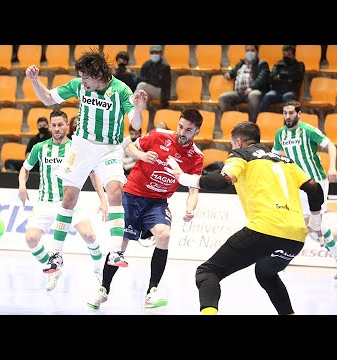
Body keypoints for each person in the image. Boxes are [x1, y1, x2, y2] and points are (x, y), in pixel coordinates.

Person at [167, 121, 325, 315]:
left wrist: (183, 178)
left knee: (208, 272)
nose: (233, 147)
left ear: (239, 142)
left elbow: (223, 181)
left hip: (265, 228)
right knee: (266, 274)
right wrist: (316, 223)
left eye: (233, 144)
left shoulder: (242, 155)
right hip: (296, 236)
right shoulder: (285, 161)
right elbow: (314, 189)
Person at [25, 49, 148, 274]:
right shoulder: (79, 86)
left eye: (85, 77)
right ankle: (56, 254)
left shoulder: (121, 90)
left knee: (115, 191)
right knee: (69, 197)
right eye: (80, 76)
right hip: (81, 145)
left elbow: (136, 125)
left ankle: (115, 251)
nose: (82, 81)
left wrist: (138, 109)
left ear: (99, 74)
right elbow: (47, 99)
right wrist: (34, 80)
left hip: (109, 148)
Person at [87, 107, 204, 310]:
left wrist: (190, 209)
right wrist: (141, 156)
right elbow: (130, 148)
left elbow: (194, 189)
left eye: (188, 130)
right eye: (180, 127)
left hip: (158, 201)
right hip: (133, 194)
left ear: (196, 132)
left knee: (164, 235)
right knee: (120, 245)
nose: (182, 133)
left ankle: (152, 291)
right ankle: (103, 289)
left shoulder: (196, 156)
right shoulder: (159, 136)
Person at [18, 110, 108, 290]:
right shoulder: (40, 147)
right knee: (30, 239)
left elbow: (93, 174)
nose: (57, 128)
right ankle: (53, 268)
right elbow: (24, 169)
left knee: (89, 235)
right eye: (54, 125)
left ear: (67, 126)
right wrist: (22, 186)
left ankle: (100, 269)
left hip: (71, 202)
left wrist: (103, 199)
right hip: (45, 202)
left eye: (60, 125)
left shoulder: (77, 147)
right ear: (50, 126)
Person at [271, 100, 337, 279]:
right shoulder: (280, 134)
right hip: (298, 184)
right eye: (285, 113)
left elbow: (331, 146)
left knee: (314, 225)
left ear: (299, 114)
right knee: (306, 226)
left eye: (291, 113)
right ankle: (336, 254)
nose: (287, 116)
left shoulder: (308, 130)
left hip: (316, 183)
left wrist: (332, 167)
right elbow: (274, 158)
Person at [219, 45, 270, 123]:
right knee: (222, 98)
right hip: (239, 93)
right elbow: (233, 71)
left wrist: (251, 87)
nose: (249, 52)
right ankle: (237, 121)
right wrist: (229, 74)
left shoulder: (262, 64)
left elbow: (262, 77)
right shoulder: (241, 63)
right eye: (247, 50)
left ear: (257, 52)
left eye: (252, 50)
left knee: (254, 95)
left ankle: (251, 123)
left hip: (253, 91)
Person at [258, 45, 305, 114]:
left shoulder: (299, 65)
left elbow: (298, 77)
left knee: (287, 96)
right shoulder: (278, 64)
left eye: (289, 54)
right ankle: (260, 120)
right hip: (277, 91)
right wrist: (288, 79)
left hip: (291, 91)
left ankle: (288, 122)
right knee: (268, 95)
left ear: (294, 55)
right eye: (284, 54)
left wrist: (280, 77)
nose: (286, 56)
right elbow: (271, 78)